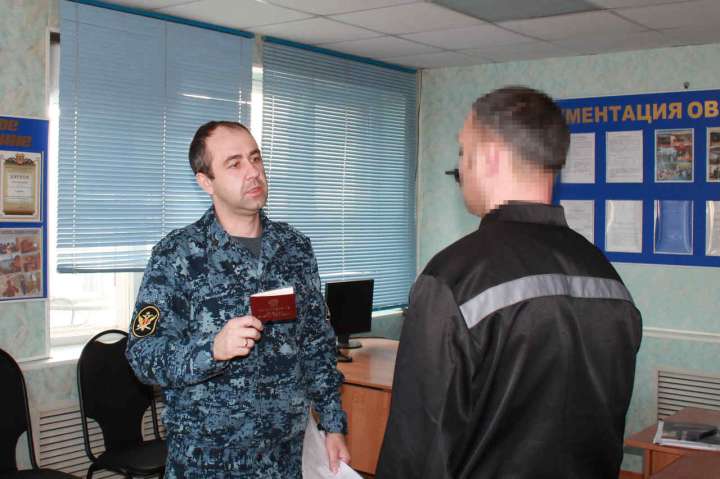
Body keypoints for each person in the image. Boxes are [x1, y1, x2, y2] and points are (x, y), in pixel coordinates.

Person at [376, 87, 642, 479]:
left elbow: (417, 451)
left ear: (490, 156)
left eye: (463, 151)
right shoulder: (607, 278)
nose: (460, 168)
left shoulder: (453, 277)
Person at [126, 121, 349, 478]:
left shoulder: (294, 249)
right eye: (235, 163)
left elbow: (316, 343)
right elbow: (143, 355)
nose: (253, 171)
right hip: (206, 461)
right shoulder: (177, 255)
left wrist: (333, 424)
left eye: (255, 158)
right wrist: (212, 350)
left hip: (284, 457)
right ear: (206, 181)